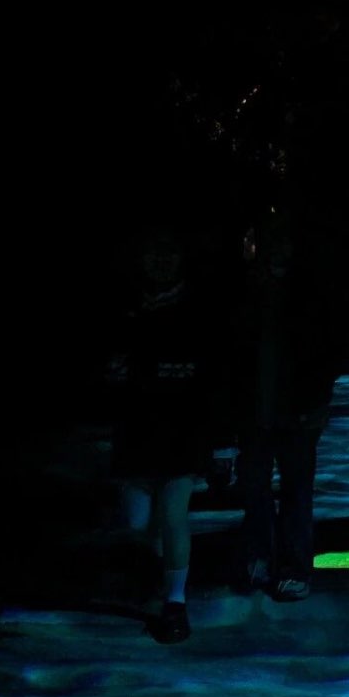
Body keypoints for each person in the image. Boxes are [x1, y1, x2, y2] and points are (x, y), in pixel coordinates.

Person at [229, 206, 349, 602]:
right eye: (269, 240)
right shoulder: (247, 287)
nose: (275, 247)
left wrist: (318, 392)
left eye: (282, 240)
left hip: (299, 408)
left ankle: (293, 566)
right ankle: (260, 556)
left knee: (296, 491)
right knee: (255, 488)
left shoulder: (315, 288)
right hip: (256, 407)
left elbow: (342, 342)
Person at [105, 225, 222, 644]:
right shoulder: (123, 306)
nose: (161, 260)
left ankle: (175, 603)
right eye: (153, 251)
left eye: (169, 251)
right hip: (135, 428)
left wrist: (219, 438)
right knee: (137, 520)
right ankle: (157, 567)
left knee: (174, 514)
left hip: (181, 430)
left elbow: (214, 374)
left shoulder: (198, 309)